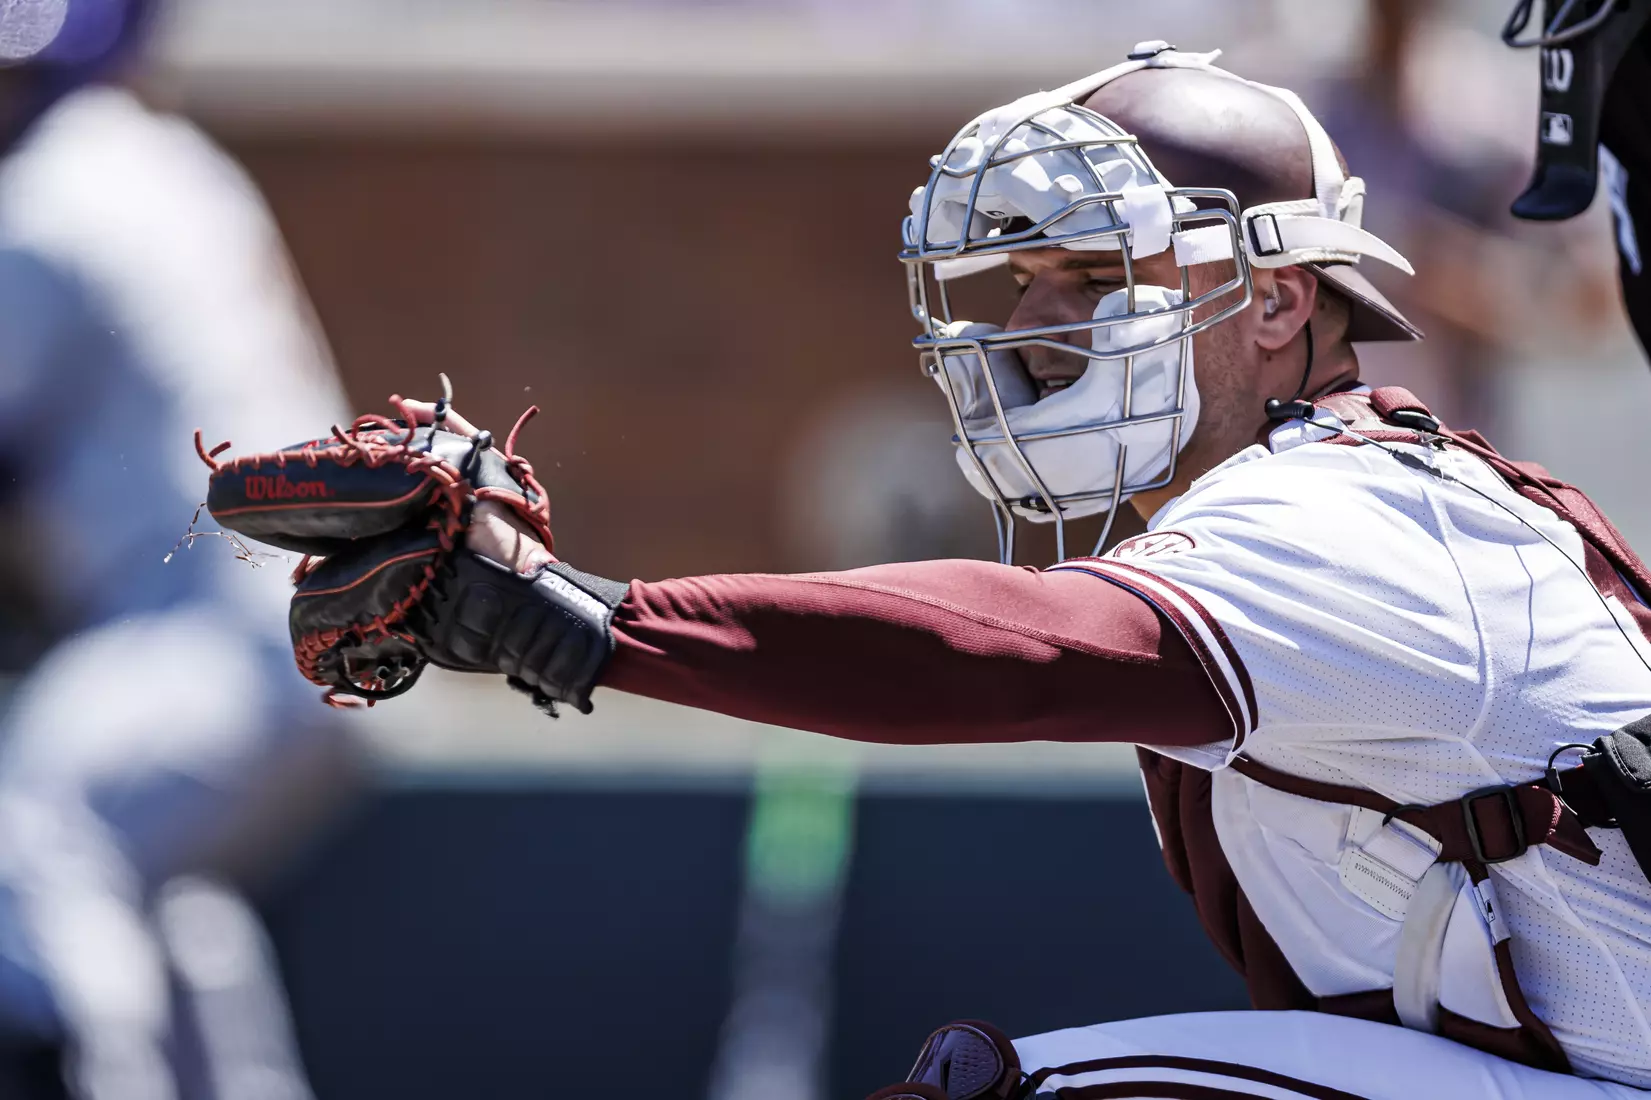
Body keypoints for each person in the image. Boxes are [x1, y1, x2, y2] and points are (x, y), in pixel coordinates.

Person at [288, 44, 1651, 1099]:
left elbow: (1018, 647)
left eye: (1091, 275)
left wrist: (592, 623)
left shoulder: (1350, 512)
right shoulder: (1320, 488)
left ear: (1282, 300)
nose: (1031, 328)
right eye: (1018, 282)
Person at [0, 3, 354, 1097]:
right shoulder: (174, 162)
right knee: (165, 894)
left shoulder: (46, 203)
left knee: (33, 828)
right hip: (337, 623)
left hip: (212, 635)